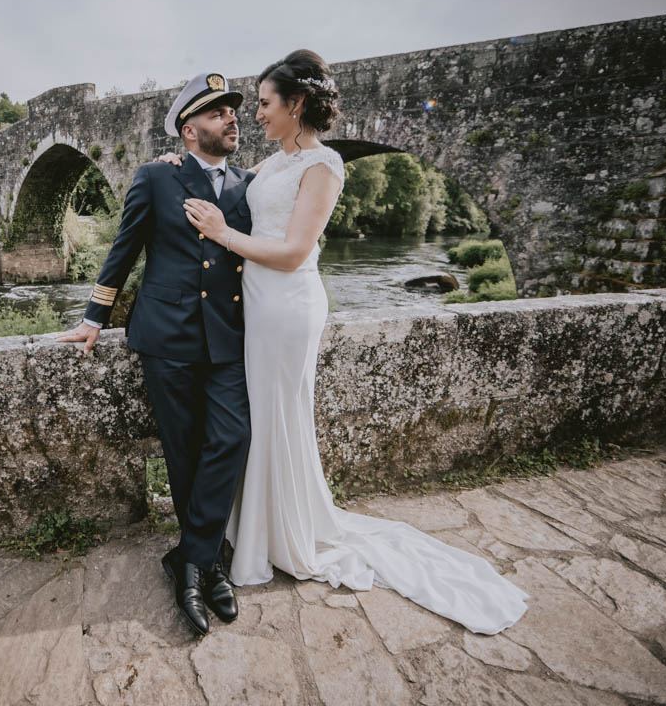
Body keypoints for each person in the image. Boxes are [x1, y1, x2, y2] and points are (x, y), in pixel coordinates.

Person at [171, 49, 530, 635]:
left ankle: (278, 533)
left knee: (279, 413)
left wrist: (222, 232)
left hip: (287, 306)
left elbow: (291, 253)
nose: (255, 114)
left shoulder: (326, 165)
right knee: (256, 417)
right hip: (255, 306)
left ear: (297, 104)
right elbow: (226, 182)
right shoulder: (271, 164)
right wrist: (177, 160)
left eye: (264, 103)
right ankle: (251, 527)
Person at [57, 72, 255, 637]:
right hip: (166, 336)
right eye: (218, 113)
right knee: (183, 449)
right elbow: (123, 251)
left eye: (234, 111)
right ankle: (206, 563)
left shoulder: (247, 184)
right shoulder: (155, 177)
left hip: (228, 338)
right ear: (189, 130)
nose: (232, 118)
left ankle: (190, 558)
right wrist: (94, 317)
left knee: (232, 437)